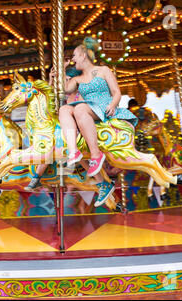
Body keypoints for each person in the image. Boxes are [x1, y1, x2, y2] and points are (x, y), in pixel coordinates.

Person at [51, 37, 137, 206]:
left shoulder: (103, 70)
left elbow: (116, 92)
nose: (73, 59)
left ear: (83, 55)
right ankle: (73, 151)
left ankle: (96, 155)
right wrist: (60, 71)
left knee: (80, 108)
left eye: (75, 55)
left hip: (103, 107)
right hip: (86, 109)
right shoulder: (77, 79)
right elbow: (64, 90)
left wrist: (113, 104)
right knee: (64, 109)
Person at [24, 67, 83, 191]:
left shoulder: (79, 95)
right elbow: (47, 95)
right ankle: (39, 176)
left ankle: (38, 176)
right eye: (65, 79)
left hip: (75, 126)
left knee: (51, 144)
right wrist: (51, 79)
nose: (66, 82)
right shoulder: (65, 93)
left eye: (68, 80)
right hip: (63, 125)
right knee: (47, 142)